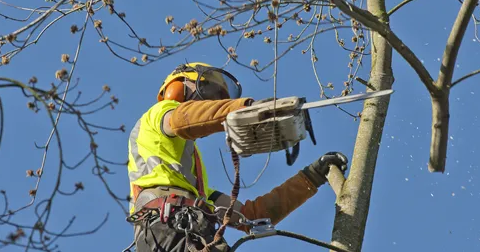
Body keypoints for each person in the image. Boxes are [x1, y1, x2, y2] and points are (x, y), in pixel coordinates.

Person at [125, 62, 348, 252]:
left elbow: (253, 215)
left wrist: (310, 178)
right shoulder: (159, 115)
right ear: (177, 88)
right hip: (168, 229)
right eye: (206, 92)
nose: (209, 103)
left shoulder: (196, 190)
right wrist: (245, 109)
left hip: (188, 228)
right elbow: (185, 119)